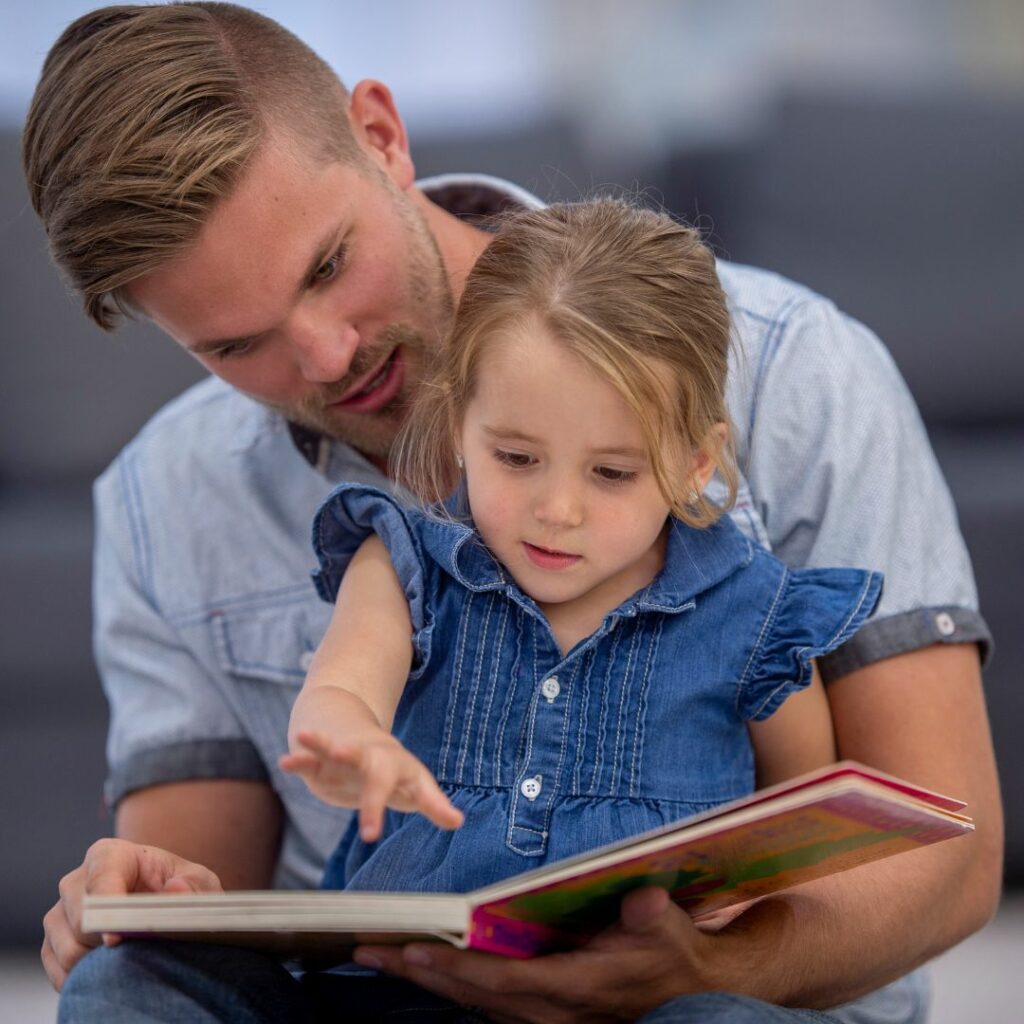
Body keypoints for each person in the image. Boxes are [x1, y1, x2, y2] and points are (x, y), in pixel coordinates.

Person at [22, 3, 1001, 1023]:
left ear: (382, 135)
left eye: (325, 267)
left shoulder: (794, 369)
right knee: (125, 987)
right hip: (391, 996)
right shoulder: (163, 493)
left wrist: (706, 967)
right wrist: (142, 895)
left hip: (712, 1001)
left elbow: (948, 852)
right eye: (234, 346)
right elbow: (207, 897)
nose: (323, 356)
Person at [280, 199, 881, 908]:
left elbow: (800, 813)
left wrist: (743, 908)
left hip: (661, 991)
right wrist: (350, 743)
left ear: (695, 463)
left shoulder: (754, 616)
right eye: (516, 456)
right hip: (410, 981)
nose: (558, 511)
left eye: (612, 473)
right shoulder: (405, 566)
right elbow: (339, 692)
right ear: (458, 425)